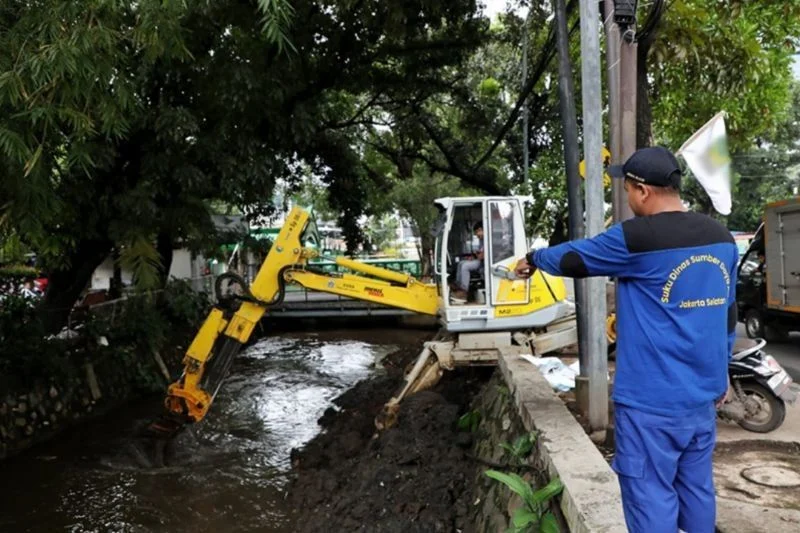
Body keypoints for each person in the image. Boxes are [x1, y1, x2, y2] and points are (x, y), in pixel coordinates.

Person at [514, 146, 738, 533]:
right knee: (697, 489)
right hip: (702, 397)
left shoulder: (637, 238)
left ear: (643, 191)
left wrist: (533, 258)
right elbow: (728, 315)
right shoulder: (721, 238)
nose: (629, 198)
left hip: (651, 403)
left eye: (629, 190)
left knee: (651, 494)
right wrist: (723, 374)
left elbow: (575, 259)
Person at [451, 221, 484, 303]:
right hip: (480, 261)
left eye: (477, 232)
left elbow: (483, 256)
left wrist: (477, 255)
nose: (476, 235)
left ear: (481, 229)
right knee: (461, 263)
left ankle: (464, 291)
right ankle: (458, 285)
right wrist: (474, 256)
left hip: (484, 263)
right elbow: (480, 253)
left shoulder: (488, 239)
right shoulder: (481, 240)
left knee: (465, 266)